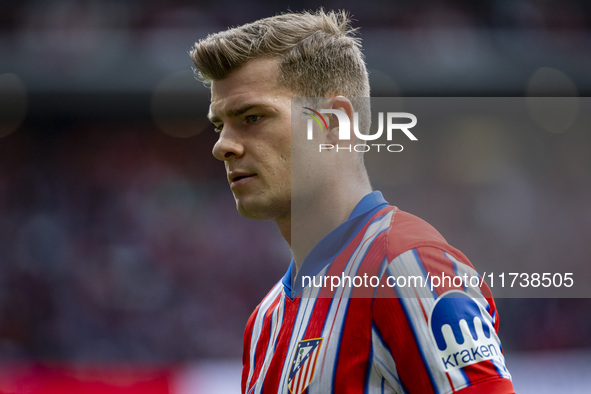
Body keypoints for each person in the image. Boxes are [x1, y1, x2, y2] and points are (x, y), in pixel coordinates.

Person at [190, 9, 515, 394]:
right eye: (219, 124)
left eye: (254, 117)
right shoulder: (265, 320)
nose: (221, 146)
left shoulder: (408, 267)